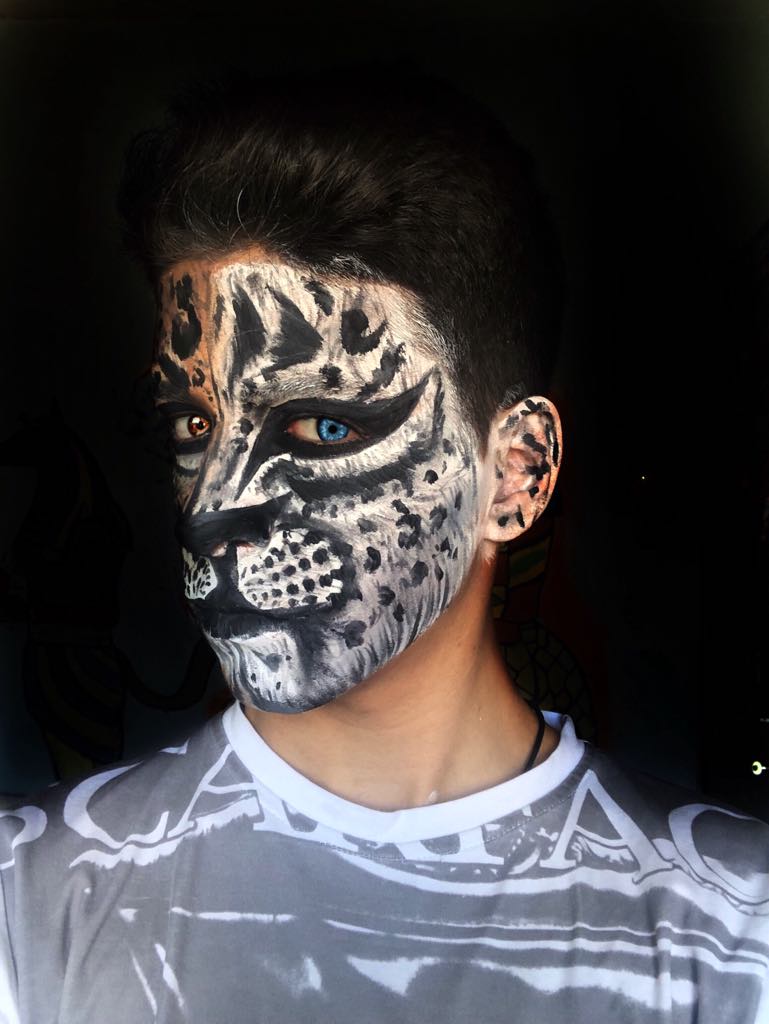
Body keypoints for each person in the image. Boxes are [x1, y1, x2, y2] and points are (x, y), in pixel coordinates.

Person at [1, 73, 768, 1024]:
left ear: (517, 472)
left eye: (323, 427)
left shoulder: (736, 925)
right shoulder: (30, 894)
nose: (214, 508)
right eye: (194, 425)